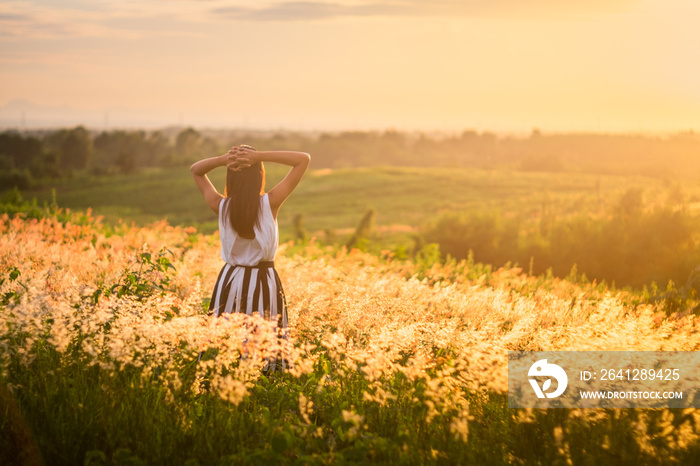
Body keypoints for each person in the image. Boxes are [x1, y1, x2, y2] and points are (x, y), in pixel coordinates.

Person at [190, 145, 310, 371]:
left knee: (226, 342)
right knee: (265, 343)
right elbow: (303, 158)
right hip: (264, 281)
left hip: (230, 279)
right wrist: (258, 157)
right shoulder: (270, 202)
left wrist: (225, 159)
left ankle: (221, 380)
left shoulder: (221, 205)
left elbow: (196, 170)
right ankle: (264, 382)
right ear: (259, 175)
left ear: (230, 176)